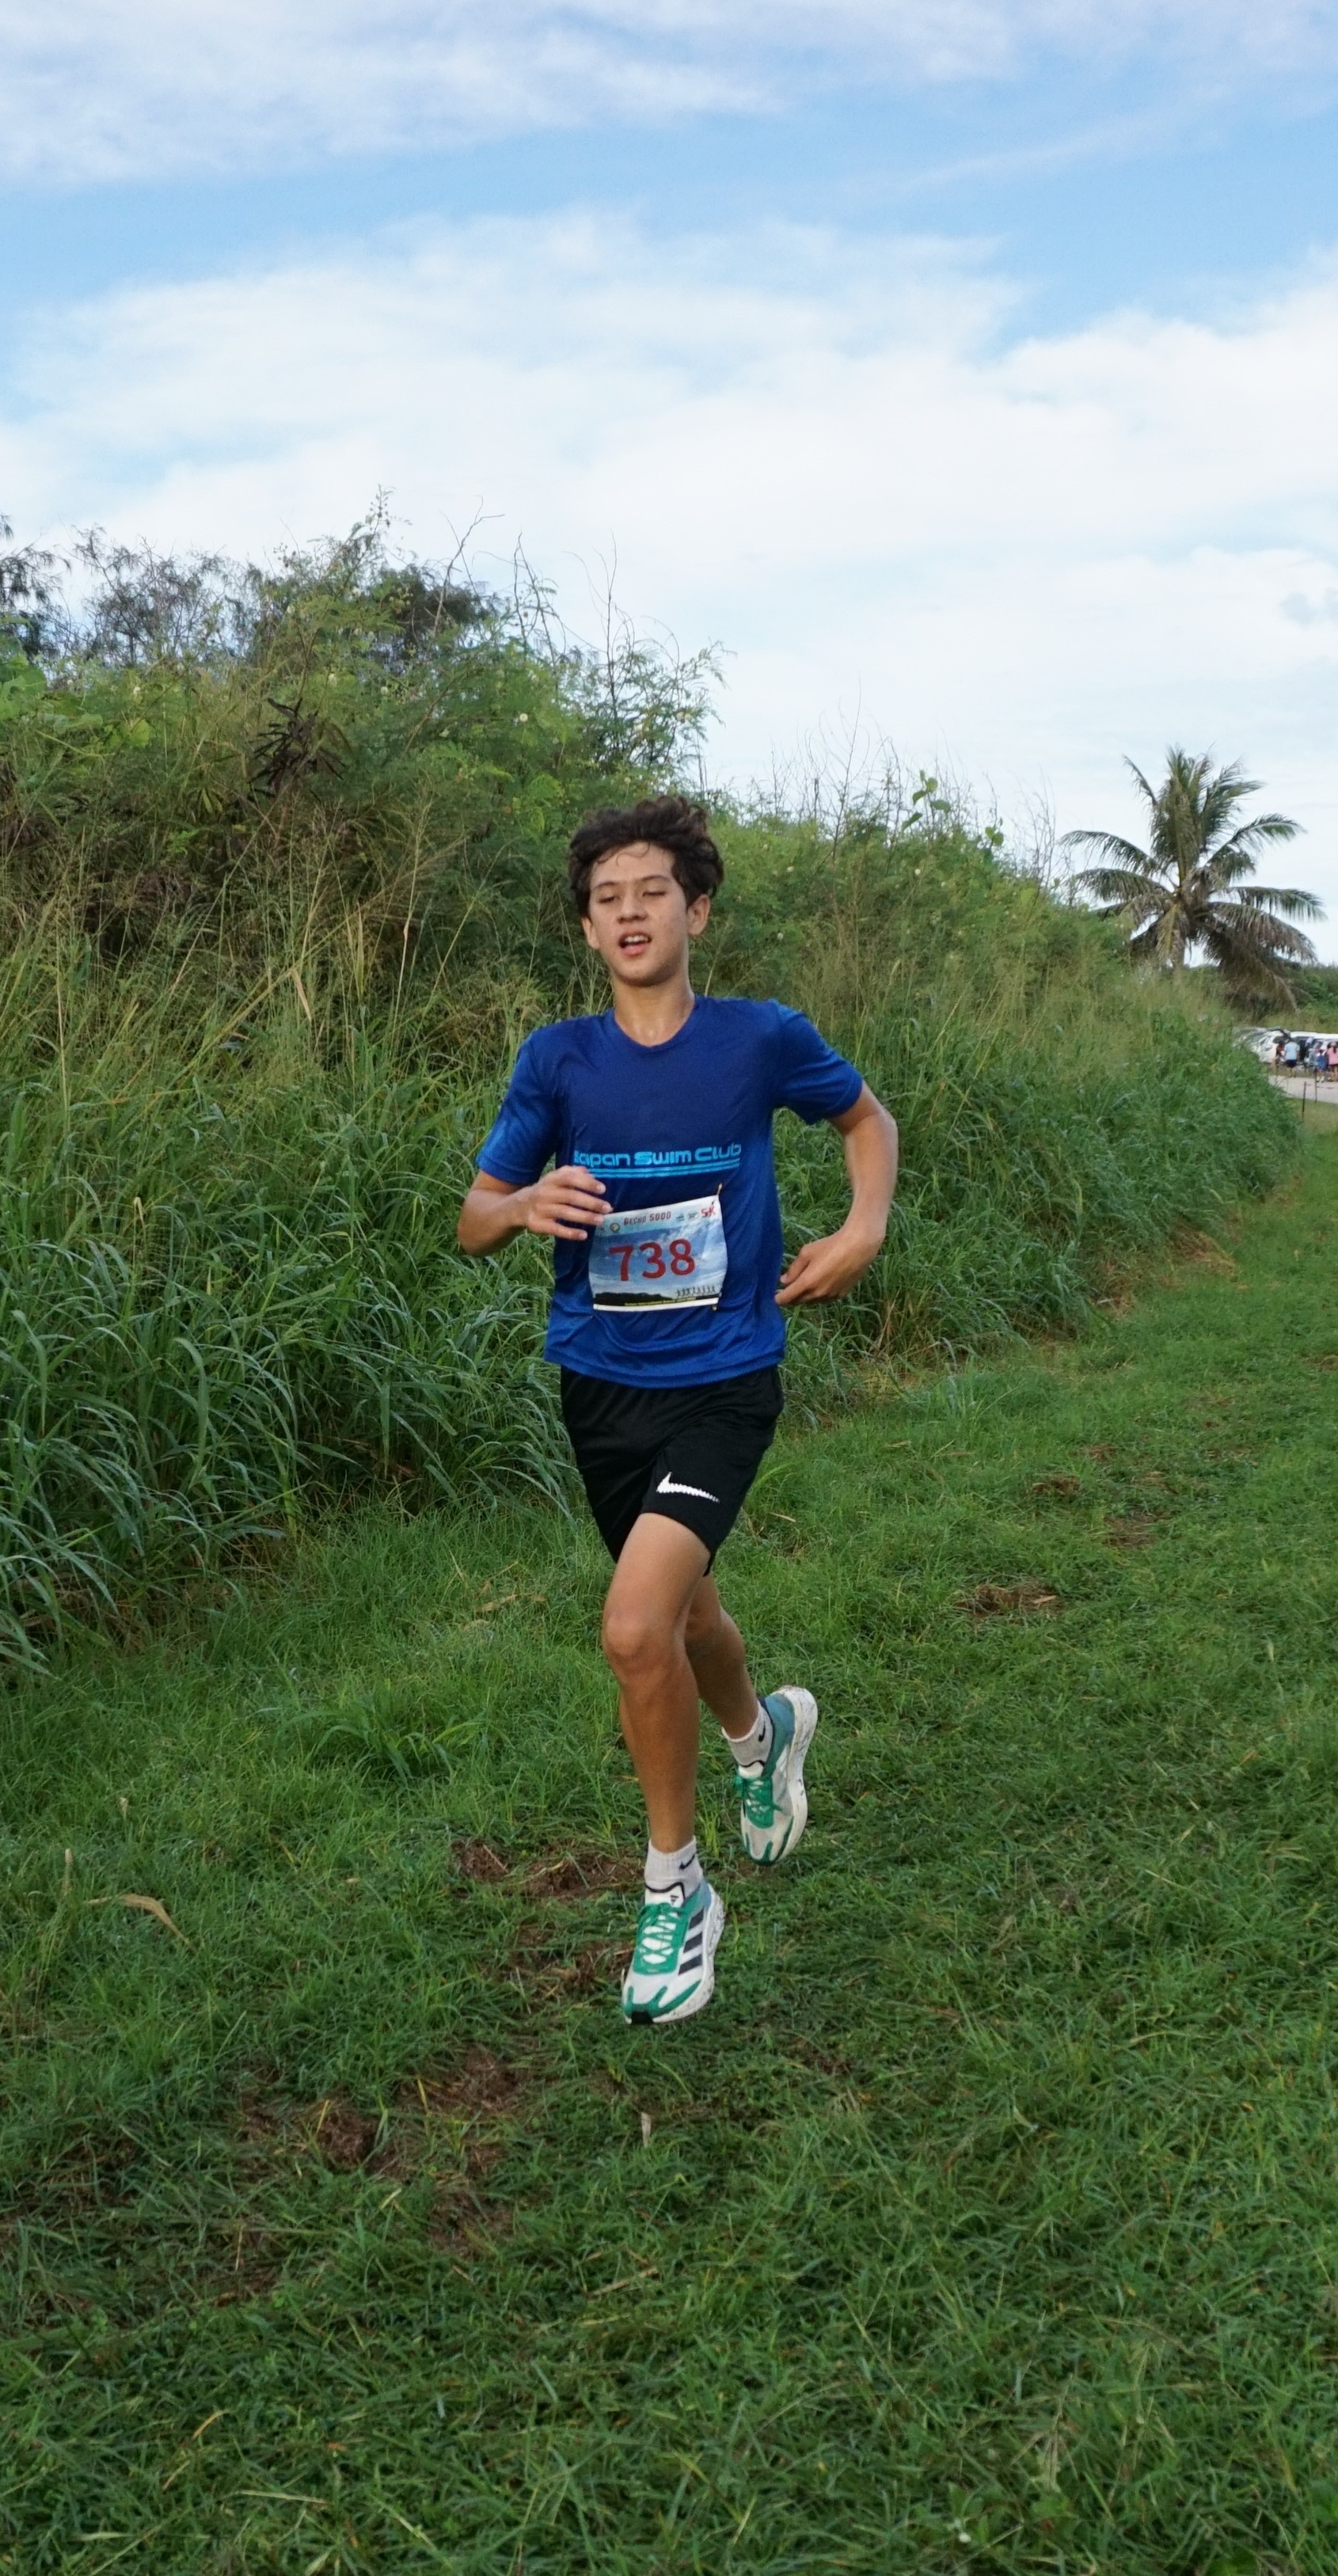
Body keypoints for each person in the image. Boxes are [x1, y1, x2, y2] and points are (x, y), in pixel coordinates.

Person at [457, 797, 898, 2026]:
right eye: (607, 899)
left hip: (725, 1378)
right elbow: (471, 1218)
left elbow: (866, 1119)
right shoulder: (556, 1060)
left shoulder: (758, 1039)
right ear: (588, 931)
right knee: (687, 1613)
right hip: (598, 1386)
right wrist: (524, 1202)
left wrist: (861, 1227)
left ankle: (674, 1890)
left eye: (652, 891)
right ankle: (765, 1742)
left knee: (633, 1628)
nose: (630, 913)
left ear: (695, 910)